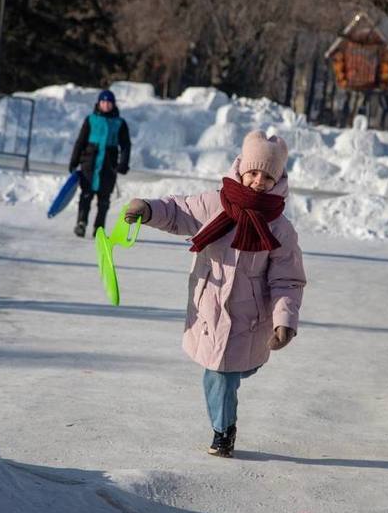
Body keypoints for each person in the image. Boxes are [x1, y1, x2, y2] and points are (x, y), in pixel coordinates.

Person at [124, 131, 307, 458]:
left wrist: (285, 321)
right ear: (240, 169)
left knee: (235, 371)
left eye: (268, 176)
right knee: (218, 374)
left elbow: (287, 280)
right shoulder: (214, 203)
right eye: (253, 172)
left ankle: (231, 398)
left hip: (250, 319)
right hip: (210, 309)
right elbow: (178, 212)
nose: (258, 181)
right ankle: (223, 432)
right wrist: (148, 210)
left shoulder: (279, 228)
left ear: (278, 178)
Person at [69, 89, 131, 238]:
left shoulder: (120, 123)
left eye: (109, 102)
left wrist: (123, 163)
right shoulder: (90, 120)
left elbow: (126, 145)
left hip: (108, 167)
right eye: (103, 102)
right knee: (86, 195)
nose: (106, 105)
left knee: (104, 200)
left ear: (113, 105)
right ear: (99, 103)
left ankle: (99, 228)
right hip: (89, 164)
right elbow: (80, 141)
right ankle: (81, 223)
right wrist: (74, 161)